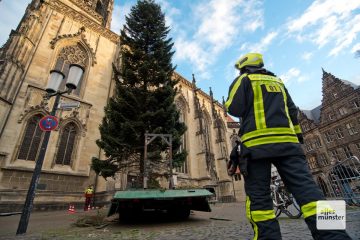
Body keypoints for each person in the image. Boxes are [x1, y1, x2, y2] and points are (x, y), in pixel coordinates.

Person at [225, 53, 352, 240]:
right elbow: (293, 112)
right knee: (311, 192)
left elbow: (232, 108)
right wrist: (297, 138)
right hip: (289, 146)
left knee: (259, 200)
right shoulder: (278, 82)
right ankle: (337, 235)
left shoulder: (244, 79)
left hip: (256, 148)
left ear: (243, 67)